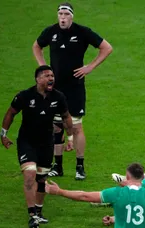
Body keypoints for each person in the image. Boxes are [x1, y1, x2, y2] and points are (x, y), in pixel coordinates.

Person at [32, 2, 113, 180]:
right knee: (55, 127)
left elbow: (106, 48)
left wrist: (90, 67)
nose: (62, 18)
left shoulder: (82, 32)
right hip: (54, 88)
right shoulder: (50, 32)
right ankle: (58, 166)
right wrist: (43, 67)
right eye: (60, 14)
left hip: (75, 88)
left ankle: (80, 167)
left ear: (71, 16)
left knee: (76, 127)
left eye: (66, 14)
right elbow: (37, 46)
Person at [0, 65, 73, 228]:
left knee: (41, 178)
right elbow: (11, 113)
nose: (51, 78)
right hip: (27, 141)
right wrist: (3, 134)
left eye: (52, 75)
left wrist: (70, 138)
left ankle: (39, 211)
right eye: (47, 75)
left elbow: (66, 116)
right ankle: (32, 214)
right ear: (38, 79)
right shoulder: (24, 96)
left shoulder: (58, 97)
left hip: (46, 143)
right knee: (29, 173)